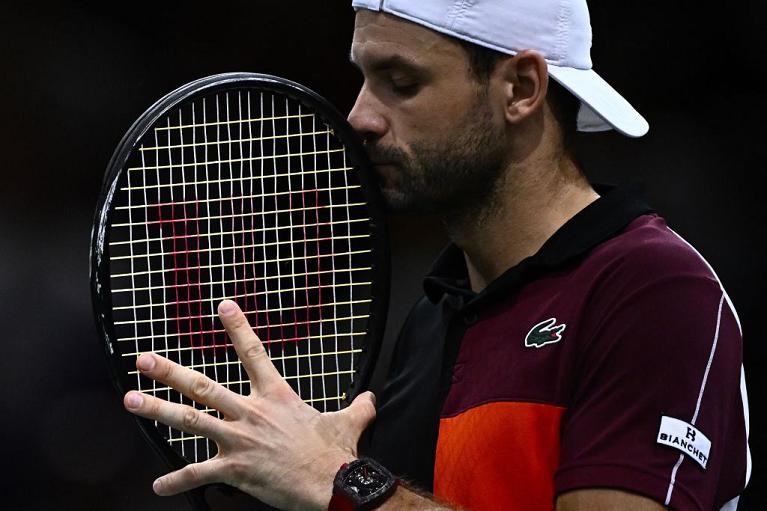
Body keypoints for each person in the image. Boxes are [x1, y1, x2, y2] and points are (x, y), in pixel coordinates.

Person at [123, 0, 751, 509]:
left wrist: (340, 482)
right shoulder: (433, 318)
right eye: (364, 79)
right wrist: (315, 476)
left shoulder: (653, 290)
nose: (360, 117)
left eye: (402, 83)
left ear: (521, 88)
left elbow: (352, 493)